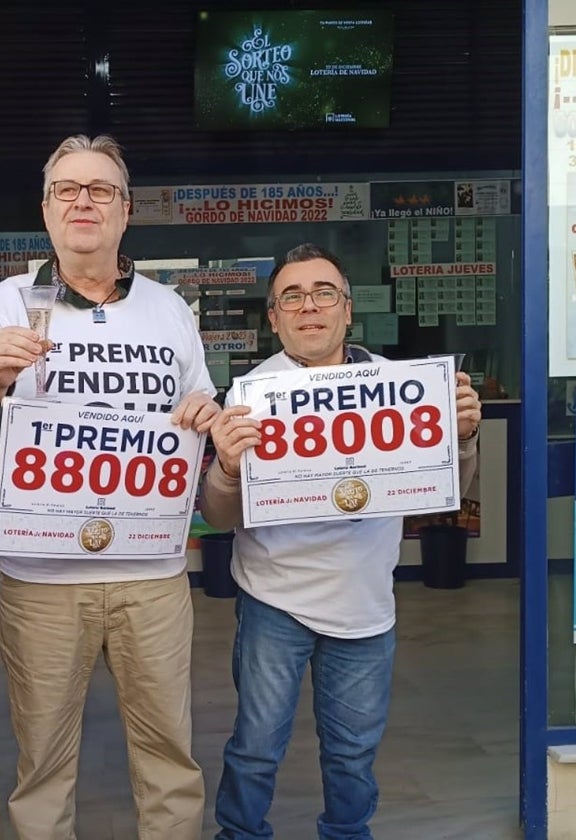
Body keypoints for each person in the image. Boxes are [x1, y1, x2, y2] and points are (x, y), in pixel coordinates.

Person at [0, 134, 219, 839]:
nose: (84, 202)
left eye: (101, 190)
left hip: (154, 572)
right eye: (67, 189)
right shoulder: (8, 302)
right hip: (42, 578)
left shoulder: (170, 310)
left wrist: (205, 415)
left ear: (127, 211)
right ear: (45, 210)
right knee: (43, 763)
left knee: (169, 757)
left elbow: (206, 419)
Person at [201, 243, 483, 840]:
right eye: (292, 297)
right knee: (255, 748)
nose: (310, 306)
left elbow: (443, 493)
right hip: (274, 601)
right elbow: (218, 516)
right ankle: (240, 834)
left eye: (324, 292)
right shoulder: (249, 396)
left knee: (353, 754)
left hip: (365, 608)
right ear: (273, 317)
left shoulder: (397, 387)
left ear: (347, 310)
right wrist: (225, 469)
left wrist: (462, 439)